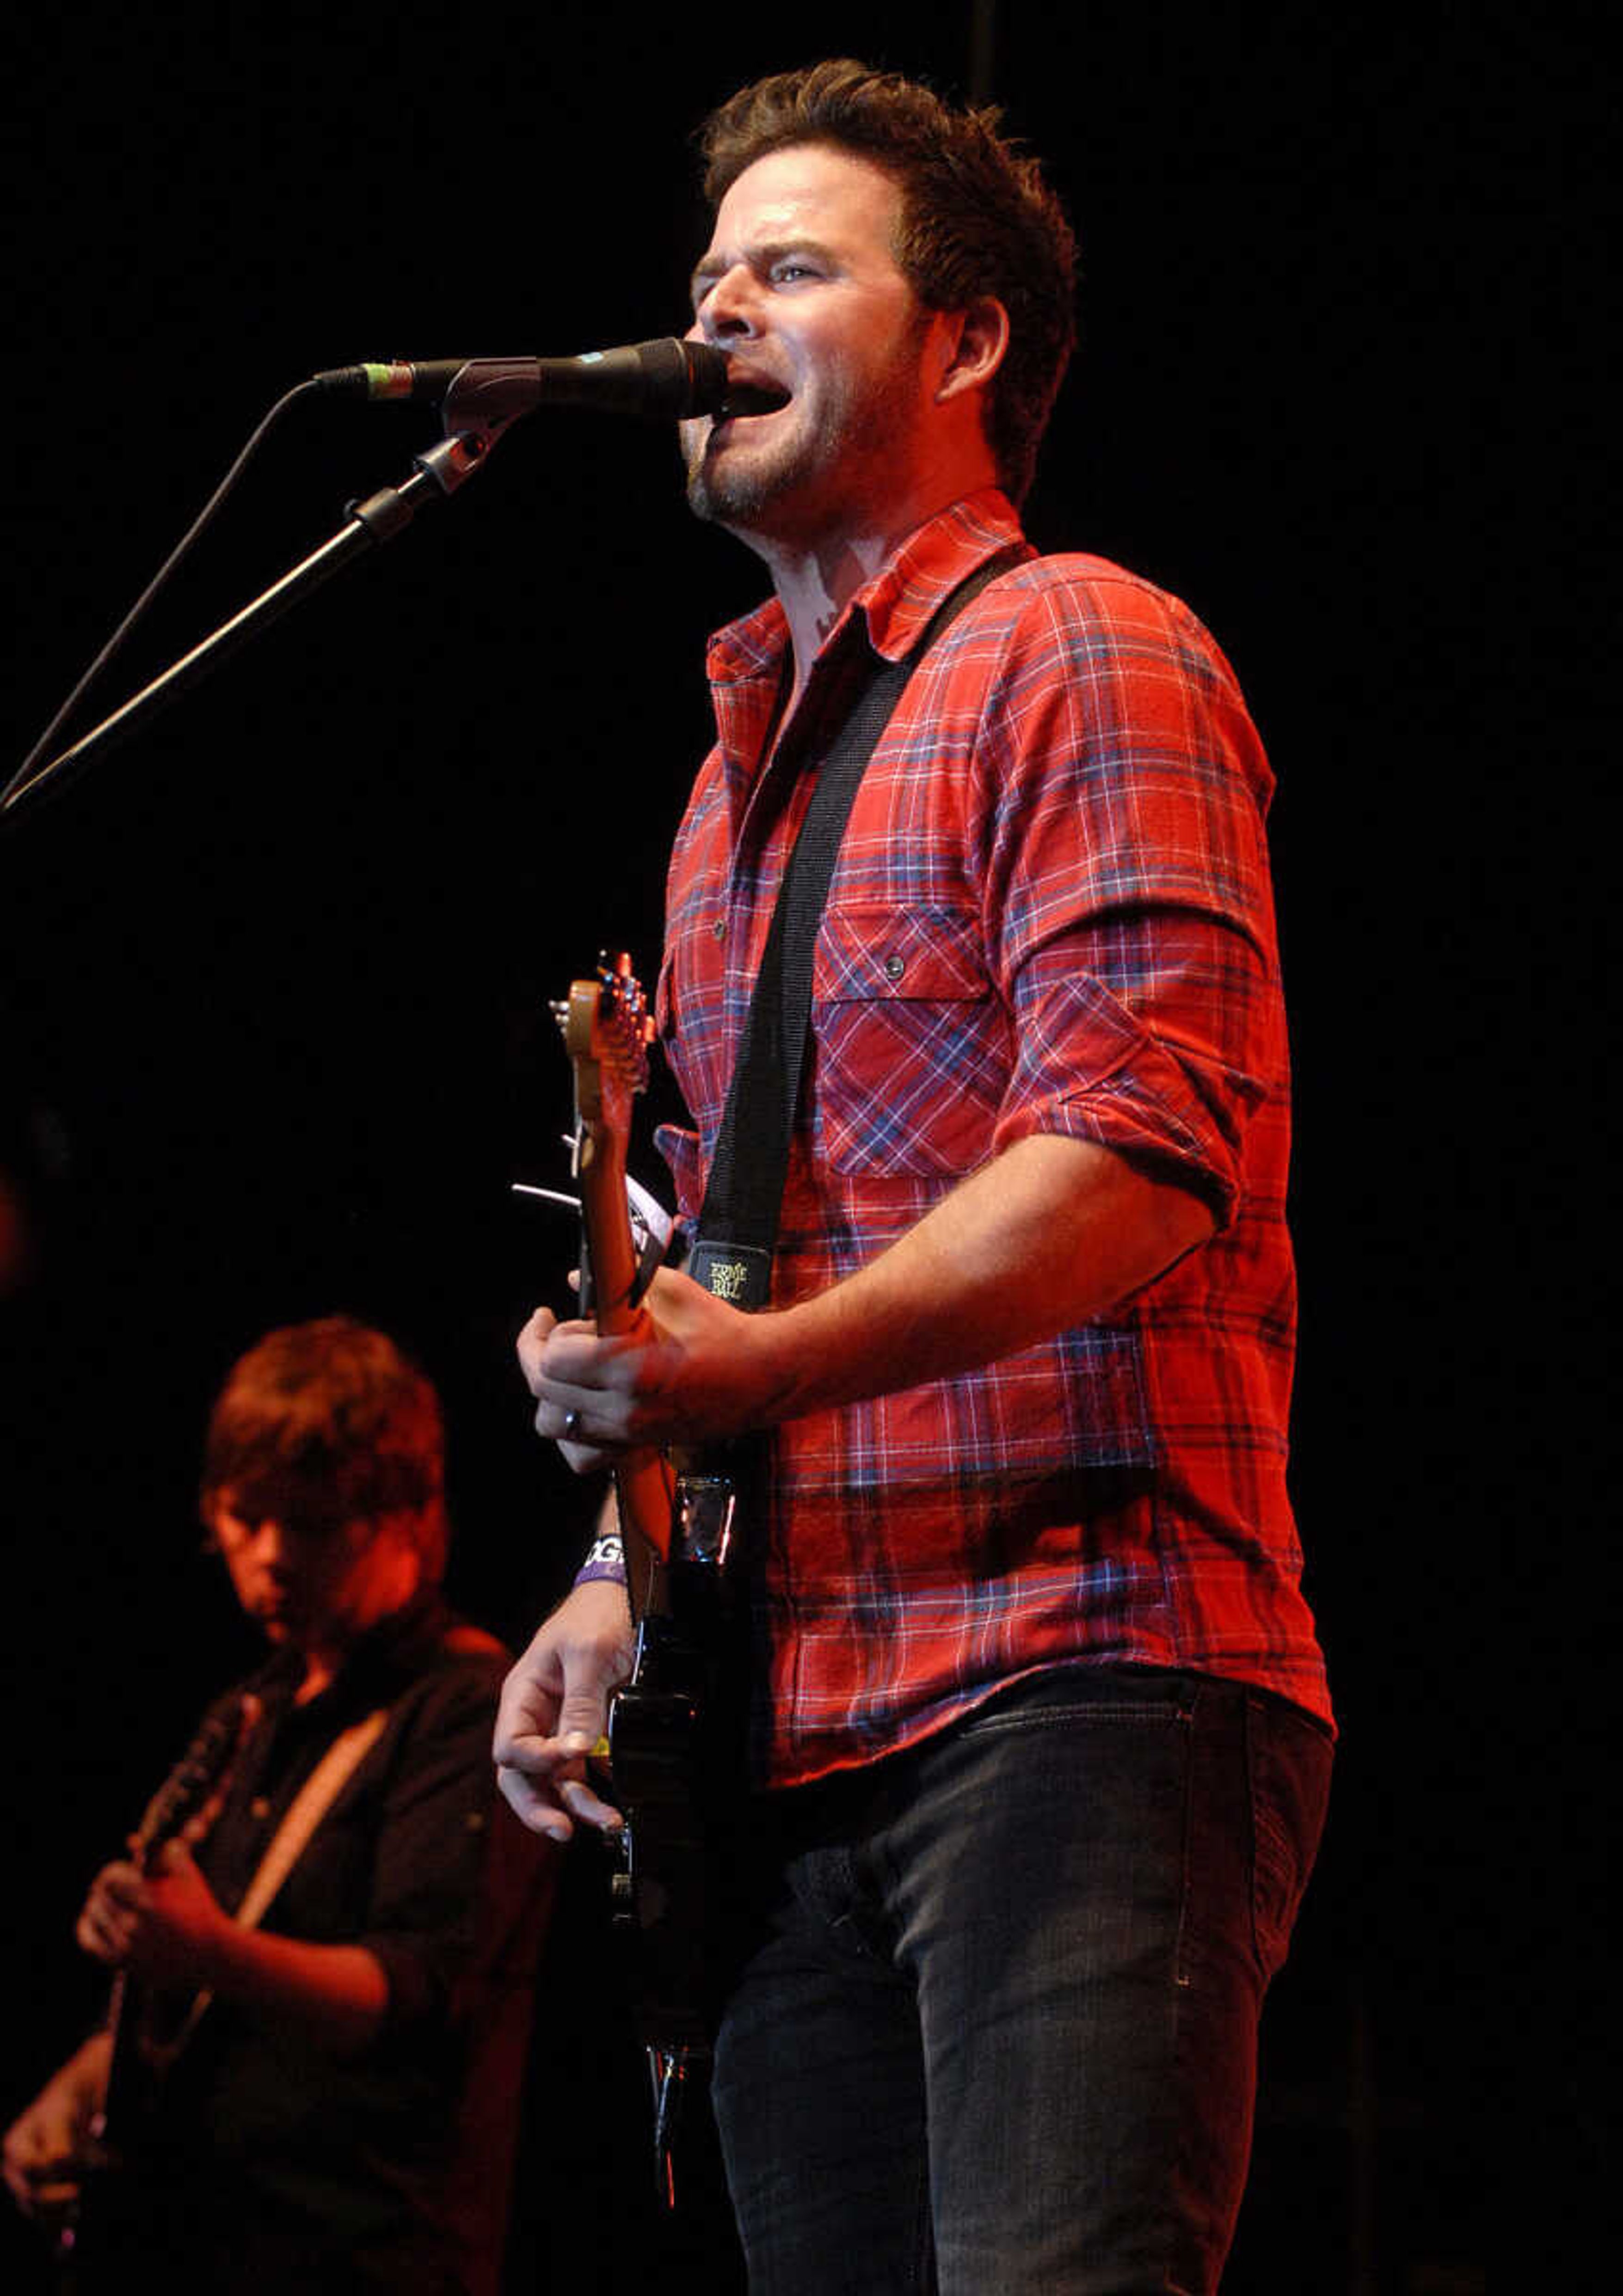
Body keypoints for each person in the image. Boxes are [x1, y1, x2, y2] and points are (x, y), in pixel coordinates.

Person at [495, 58, 1334, 2296]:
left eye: (786, 267)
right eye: (698, 279)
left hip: (1077, 1673)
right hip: (788, 1717)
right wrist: (612, 1560)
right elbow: (725, 1251)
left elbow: (1141, 1150)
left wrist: (746, 1362)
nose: (713, 313)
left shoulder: (1084, 645)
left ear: (963, 344)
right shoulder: (722, 794)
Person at [3, 1316, 554, 2295]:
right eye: (243, 1518)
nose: (269, 1558)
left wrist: (207, 1949)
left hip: (364, 2251)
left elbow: (411, 1997)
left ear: (413, 1514)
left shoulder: (467, 1704)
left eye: (311, 1522)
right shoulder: (254, 1707)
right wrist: (84, 2081)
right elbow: (190, 1990)